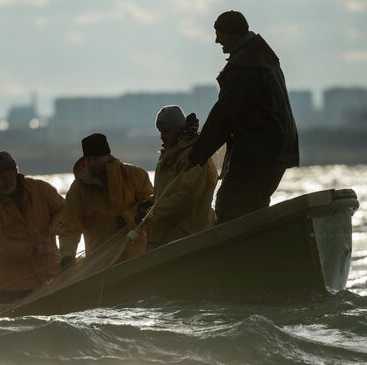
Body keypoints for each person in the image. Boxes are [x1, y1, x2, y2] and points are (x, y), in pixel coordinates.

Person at [184, 10, 299, 223]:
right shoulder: (263, 58)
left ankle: (239, 254)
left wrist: (197, 155)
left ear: (231, 35)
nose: (216, 40)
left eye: (219, 34)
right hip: (276, 150)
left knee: (230, 205)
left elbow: (225, 115)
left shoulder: (246, 67)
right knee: (254, 208)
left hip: (257, 152)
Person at [0, 151, 64, 305]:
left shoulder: (41, 189)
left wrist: (57, 224)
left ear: (15, 172)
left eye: (4, 177)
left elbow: (64, 209)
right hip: (12, 284)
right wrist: (32, 249)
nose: (2, 182)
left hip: (50, 273)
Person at [59, 133, 153, 269]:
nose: (91, 164)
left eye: (95, 159)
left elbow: (151, 206)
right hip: (99, 263)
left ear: (107, 156)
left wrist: (127, 218)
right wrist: (67, 256)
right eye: (88, 159)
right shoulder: (78, 188)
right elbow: (70, 226)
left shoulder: (136, 176)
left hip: (136, 257)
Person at [136, 105, 218, 249]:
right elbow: (164, 193)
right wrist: (149, 204)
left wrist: (152, 214)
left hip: (189, 237)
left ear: (179, 129)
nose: (162, 136)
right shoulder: (169, 155)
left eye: (167, 131)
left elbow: (186, 196)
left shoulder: (195, 157)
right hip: (167, 238)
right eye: (160, 131)